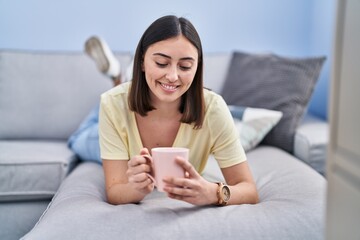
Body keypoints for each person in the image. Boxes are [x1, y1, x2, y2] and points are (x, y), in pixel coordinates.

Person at [98, 15, 259, 206]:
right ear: (141, 62)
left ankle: (118, 77)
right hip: (111, 126)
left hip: (126, 106)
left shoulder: (214, 109)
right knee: (82, 142)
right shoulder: (111, 104)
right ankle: (117, 77)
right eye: (161, 63)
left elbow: (249, 190)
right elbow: (114, 191)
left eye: (185, 66)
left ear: (197, 68)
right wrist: (136, 188)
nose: (173, 76)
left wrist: (213, 192)